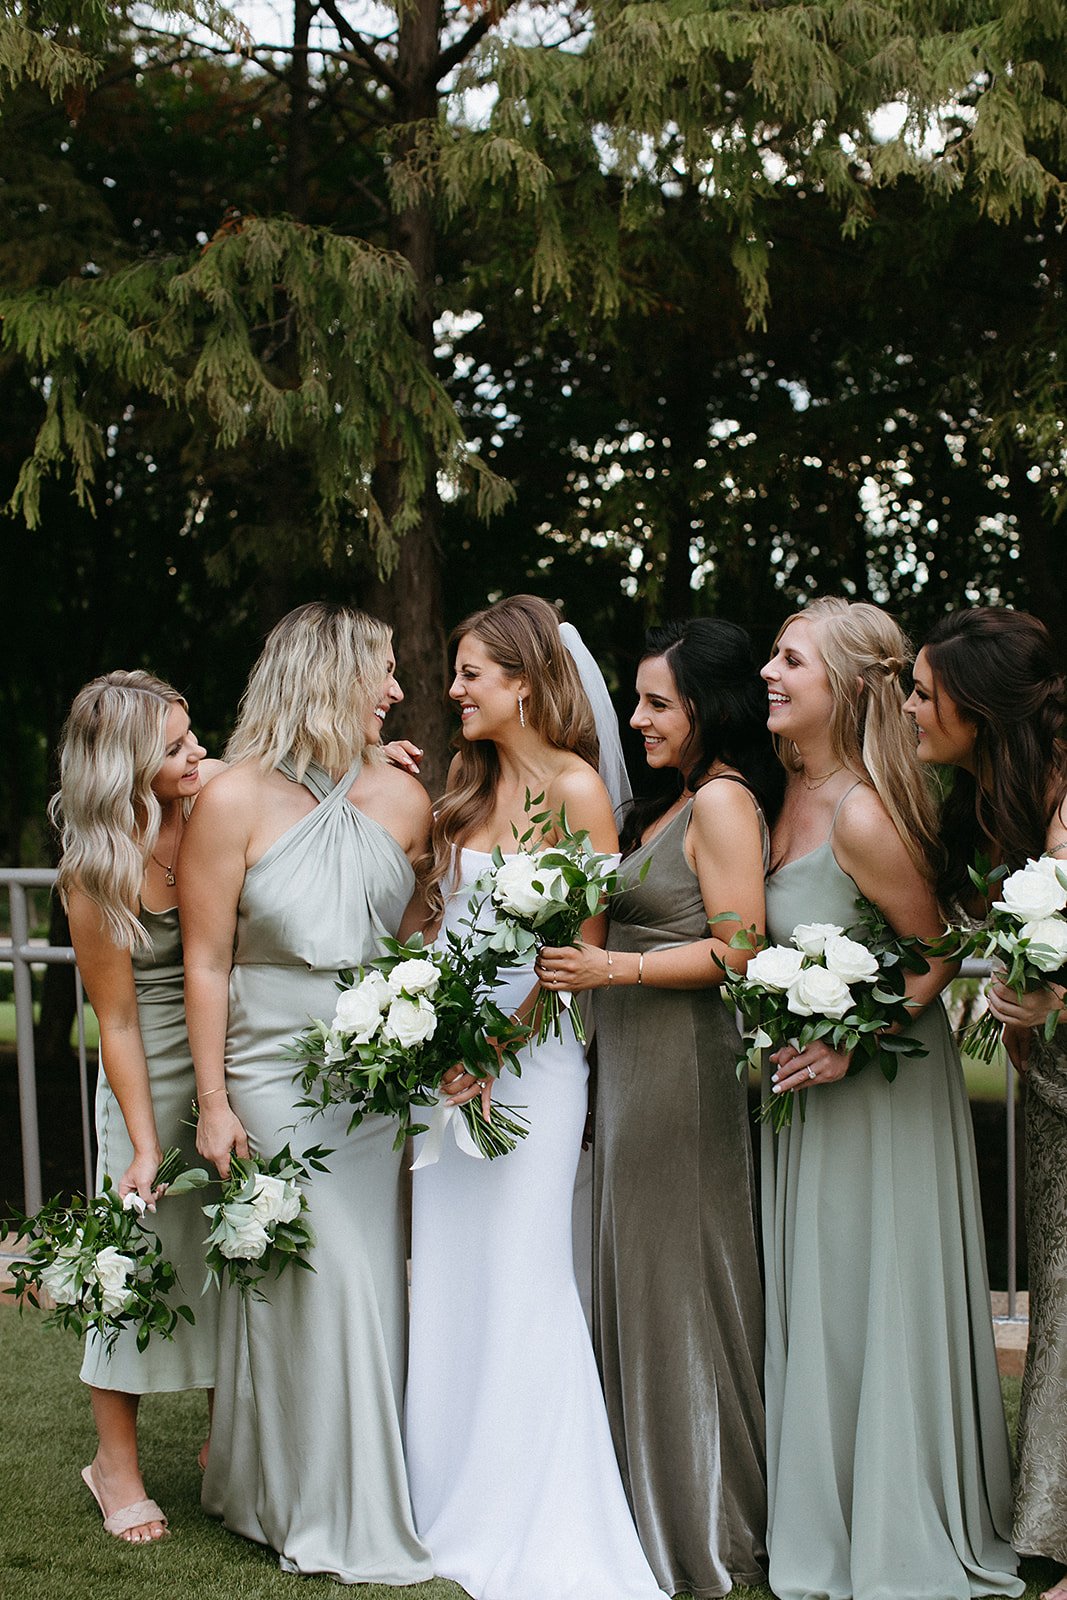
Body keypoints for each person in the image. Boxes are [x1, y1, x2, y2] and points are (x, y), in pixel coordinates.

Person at [404, 594, 667, 1600]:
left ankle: (533, 1510)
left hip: (538, 1065)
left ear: (522, 680)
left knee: (523, 1272)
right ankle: (443, 1496)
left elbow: (577, 957)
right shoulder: (461, 793)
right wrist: (425, 1032)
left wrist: (489, 1049)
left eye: (472, 672)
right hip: (448, 1072)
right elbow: (426, 928)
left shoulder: (577, 794)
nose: (454, 689)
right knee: (453, 1275)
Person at [759, 596, 1021, 1600]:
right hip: (809, 1093)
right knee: (822, 1302)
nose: (771, 675)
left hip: (873, 1088)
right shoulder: (785, 794)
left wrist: (842, 1040)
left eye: (793, 660)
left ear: (844, 686)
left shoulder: (864, 809)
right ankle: (822, 1516)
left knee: (871, 1294)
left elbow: (934, 948)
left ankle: (894, 1522)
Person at [179, 602, 433, 1587]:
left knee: (356, 1272)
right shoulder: (232, 797)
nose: (398, 690)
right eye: (381, 670)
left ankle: (302, 1488)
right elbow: (207, 960)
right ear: (328, 676)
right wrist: (212, 1100)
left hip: (368, 1079)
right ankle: (304, 1496)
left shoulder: (405, 797)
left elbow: (411, 935)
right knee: (308, 1273)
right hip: (268, 1066)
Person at [536, 617, 780, 1597]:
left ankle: (702, 1524)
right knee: (638, 1285)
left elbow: (742, 950)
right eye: (634, 698)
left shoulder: (720, 805)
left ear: (708, 707)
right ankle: (632, 1503)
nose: (635, 718)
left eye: (656, 702)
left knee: (681, 1289)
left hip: (685, 1074)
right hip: (633, 1070)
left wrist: (611, 966)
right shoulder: (663, 804)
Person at [906, 606, 1067, 1600]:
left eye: (925, 692)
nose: (913, 706)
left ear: (975, 707)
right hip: (1051, 1084)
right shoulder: (997, 806)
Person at [50, 670, 221, 1544]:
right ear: (123, 767)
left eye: (193, 735)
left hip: (224, 1061)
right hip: (145, 1077)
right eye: (176, 747)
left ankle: (225, 1445)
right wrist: (145, 1144)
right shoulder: (95, 869)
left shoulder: (215, 795)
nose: (197, 754)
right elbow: (113, 1019)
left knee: (240, 1248)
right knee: (135, 1260)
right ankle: (113, 1461)